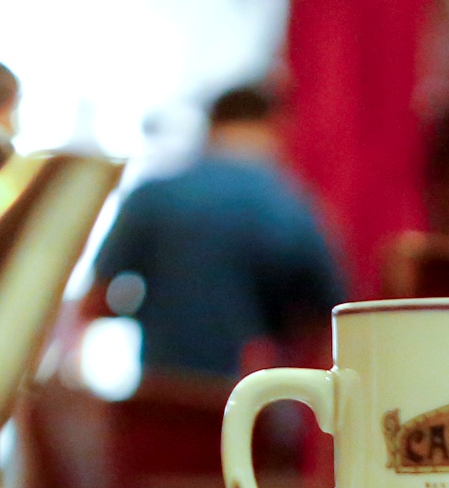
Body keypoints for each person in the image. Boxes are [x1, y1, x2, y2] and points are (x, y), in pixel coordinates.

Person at [83, 85, 345, 382]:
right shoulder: (291, 205)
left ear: (211, 128)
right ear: (276, 127)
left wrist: (152, 310)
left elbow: (95, 302)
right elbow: (330, 318)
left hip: (159, 395)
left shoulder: (152, 195)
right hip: (250, 401)